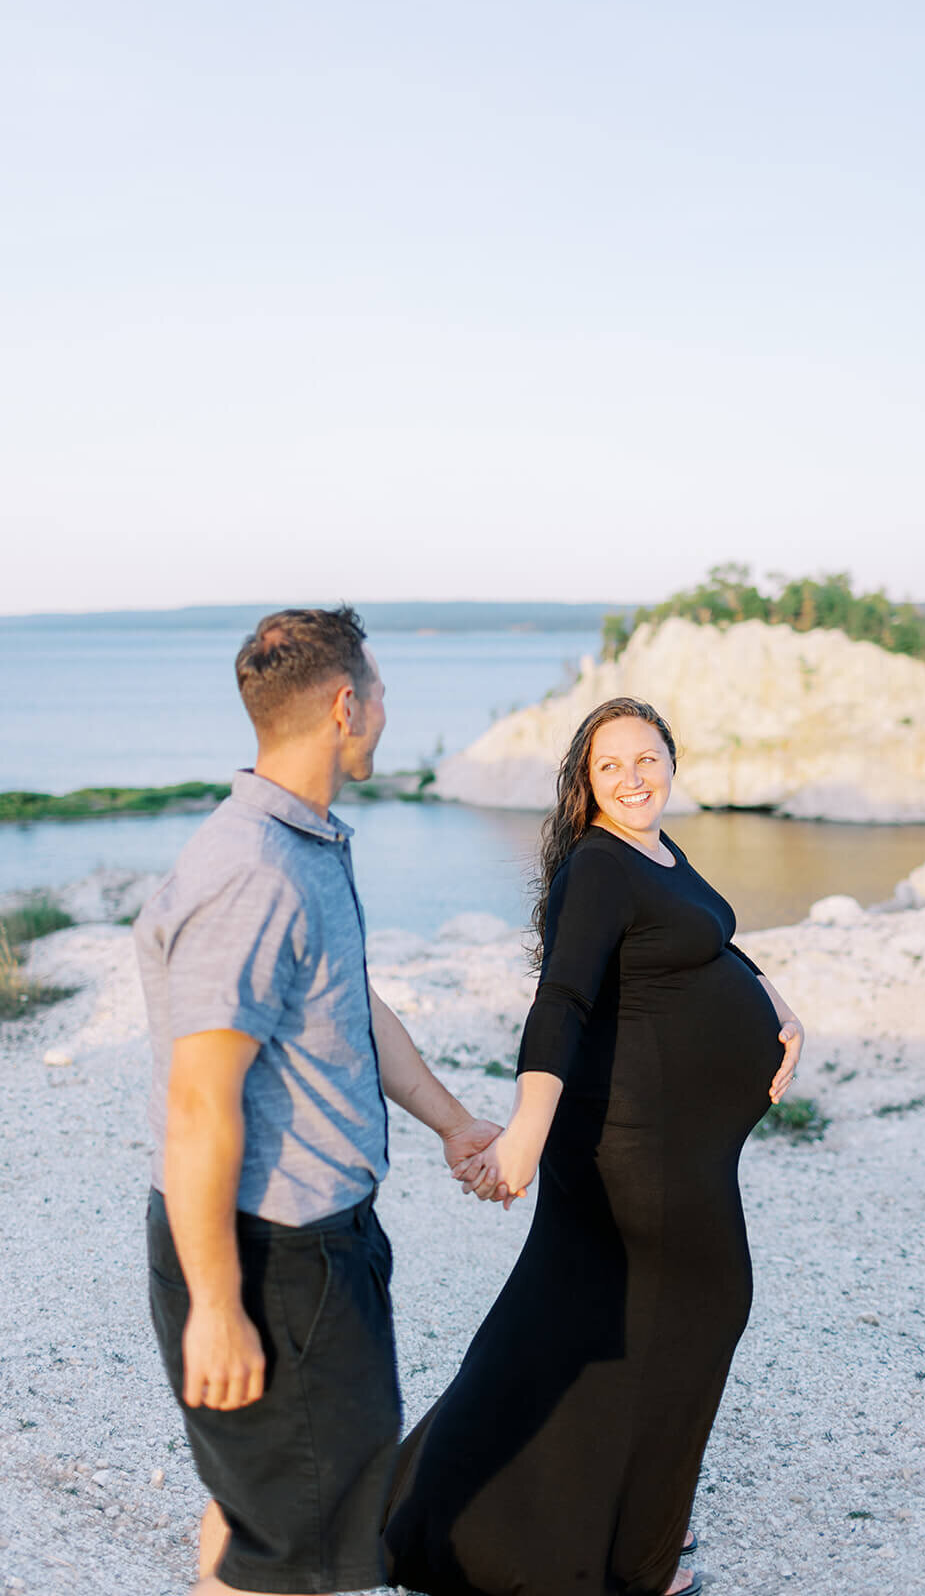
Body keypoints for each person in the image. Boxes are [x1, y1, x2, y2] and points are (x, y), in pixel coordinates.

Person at [382, 697, 805, 1596]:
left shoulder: (655, 851)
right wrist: (526, 1133)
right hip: (632, 1150)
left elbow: (702, 933)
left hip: (671, 1148)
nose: (631, 778)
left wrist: (774, 1000)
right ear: (585, 781)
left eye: (645, 759)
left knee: (564, 1325)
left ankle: (456, 1510)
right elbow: (561, 1001)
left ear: (671, 763)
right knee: (691, 1316)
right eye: (609, 766)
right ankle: (635, 1561)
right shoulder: (600, 866)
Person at [135, 606, 502, 1596]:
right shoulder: (250, 871)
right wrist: (218, 1305)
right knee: (298, 1553)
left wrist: (451, 1118)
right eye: (380, 692)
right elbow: (201, 1101)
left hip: (310, 1246)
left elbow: (349, 1003)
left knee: (261, 1516)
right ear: (346, 704)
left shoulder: (300, 844)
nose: (385, 711)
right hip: (271, 1259)